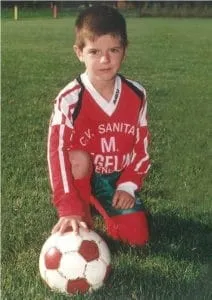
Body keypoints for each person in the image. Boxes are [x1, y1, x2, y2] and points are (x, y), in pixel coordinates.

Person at [47, 5, 151, 246]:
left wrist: (127, 184)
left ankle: (105, 203)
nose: (105, 60)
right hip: (82, 173)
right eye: (94, 51)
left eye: (114, 50)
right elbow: (57, 153)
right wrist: (67, 206)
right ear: (79, 52)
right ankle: (81, 205)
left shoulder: (136, 94)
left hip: (116, 178)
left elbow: (142, 147)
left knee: (136, 238)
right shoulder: (70, 99)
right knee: (77, 159)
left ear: (125, 50)